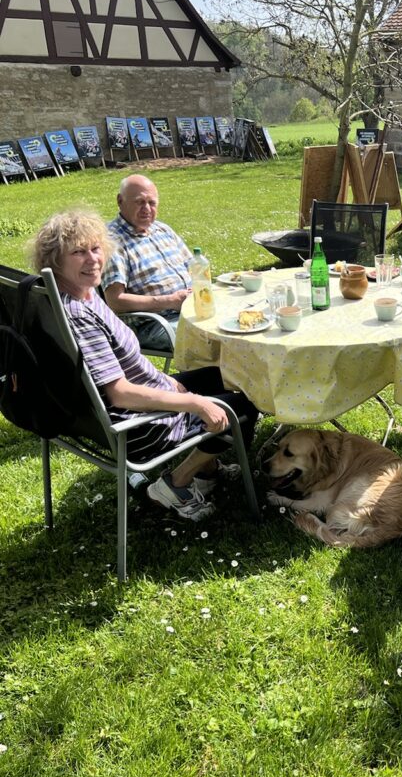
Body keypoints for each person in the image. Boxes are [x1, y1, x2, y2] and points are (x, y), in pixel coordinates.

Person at [32, 209, 259, 522]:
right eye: (78, 252)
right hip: (133, 424)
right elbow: (120, 394)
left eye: (96, 248)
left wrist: (170, 384)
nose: (93, 260)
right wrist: (194, 402)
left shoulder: (74, 294)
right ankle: (174, 484)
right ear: (55, 260)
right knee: (245, 400)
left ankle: (207, 473)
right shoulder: (77, 315)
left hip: (102, 412)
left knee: (232, 376)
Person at [101, 174, 192, 351]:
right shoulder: (113, 241)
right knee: (211, 336)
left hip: (189, 310)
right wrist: (170, 301)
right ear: (120, 201)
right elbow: (115, 300)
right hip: (153, 324)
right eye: (139, 202)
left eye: (152, 203)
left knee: (237, 320)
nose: (147, 209)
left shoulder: (162, 229)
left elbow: (194, 267)